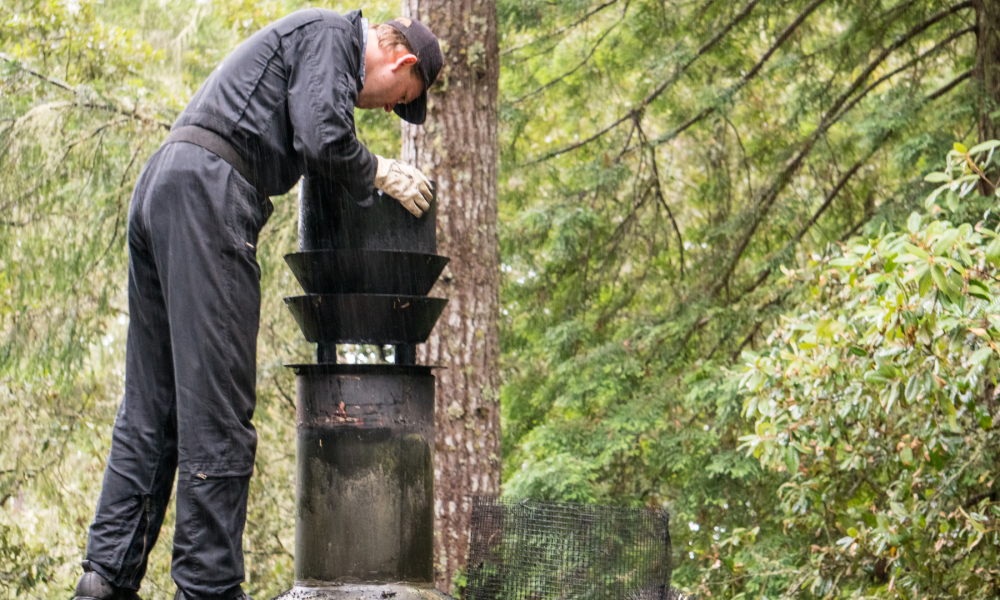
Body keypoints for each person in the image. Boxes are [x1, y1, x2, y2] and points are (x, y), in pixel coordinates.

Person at [72, 9, 442, 600]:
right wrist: (380, 172)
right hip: (208, 194)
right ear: (402, 61)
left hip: (166, 185)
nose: (388, 109)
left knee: (153, 410)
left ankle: (105, 581)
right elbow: (323, 137)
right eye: (400, 98)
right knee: (218, 414)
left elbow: (312, 132)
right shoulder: (333, 37)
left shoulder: (314, 52)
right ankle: (210, 588)